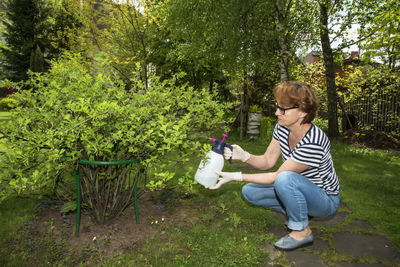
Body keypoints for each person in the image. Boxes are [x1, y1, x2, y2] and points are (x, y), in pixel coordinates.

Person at [209, 81, 341, 251]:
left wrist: (235, 176)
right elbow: (268, 161)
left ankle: (301, 231)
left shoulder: (314, 141)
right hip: (299, 189)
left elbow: (277, 176)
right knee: (250, 192)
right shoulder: (283, 127)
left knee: (285, 179)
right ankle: (299, 213)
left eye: (283, 109)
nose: (277, 112)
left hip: (325, 199)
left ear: (302, 112)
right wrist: (244, 156)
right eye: (277, 107)